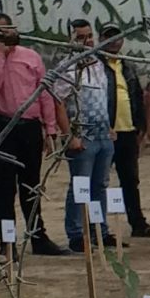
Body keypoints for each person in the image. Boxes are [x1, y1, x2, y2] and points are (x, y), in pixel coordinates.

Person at [0, 13, 67, 257]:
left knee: (31, 184)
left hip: (29, 127)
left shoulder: (31, 56)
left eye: (5, 30)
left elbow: (44, 93)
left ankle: (38, 236)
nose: (1, 35)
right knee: (4, 186)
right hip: (0, 125)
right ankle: (7, 241)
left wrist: (50, 128)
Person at [53, 18, 116, 253]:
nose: (87, 41)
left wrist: (110, 126)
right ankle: (77, 233)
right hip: (82, 135)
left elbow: (104, 97)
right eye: (80, 37)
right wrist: (69, 135)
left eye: (89, 36)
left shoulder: (99, 63)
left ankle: (99, 229)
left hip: (102, 133)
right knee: (81, 185)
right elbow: (58, 101)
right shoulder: (67, 68)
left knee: (100, 184)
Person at [98, 27, 150, 239]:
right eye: (109, 37)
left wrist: (141, 127)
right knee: (99, 181)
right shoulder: (95, 66)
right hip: (105, 132)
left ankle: (138, 223)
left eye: (118, 37)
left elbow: (136, 96)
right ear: (101, 39)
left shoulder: (127, 65)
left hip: (127, 131)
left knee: (130, 180)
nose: (114, 41)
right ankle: (97, 228)